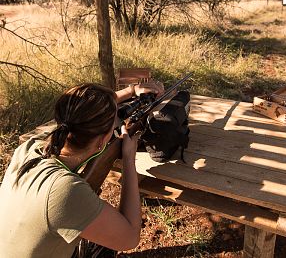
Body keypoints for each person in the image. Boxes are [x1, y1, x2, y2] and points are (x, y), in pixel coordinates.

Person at [0, 81, 164, 258]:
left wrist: (131, 91)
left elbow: (81, 113)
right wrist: (129, 160)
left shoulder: (28, 149)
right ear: (102, 142)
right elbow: (130, 238)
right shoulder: (65, 191)